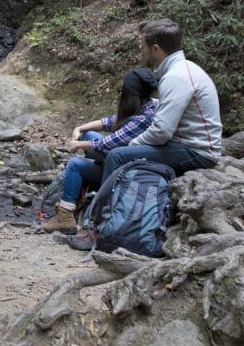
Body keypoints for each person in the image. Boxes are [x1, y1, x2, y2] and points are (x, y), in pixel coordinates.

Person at [99, 19, 222, 185]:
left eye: (143, 47)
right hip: (186, 145)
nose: (141, 52)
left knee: (117, 155)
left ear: (155, 49)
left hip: (197, 153)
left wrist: (132, 144)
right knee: (111, 150)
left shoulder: (176, 77)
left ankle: (105, 208)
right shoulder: (183, 70)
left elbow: (161, 131)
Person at [40, 68, 159, 233]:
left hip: (123, 170)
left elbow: (109, 141)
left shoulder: (143, 119)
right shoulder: (148, 104)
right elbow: (110, 122)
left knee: (74, 164)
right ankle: (87, 182)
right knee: (88, 134)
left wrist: (78, 145)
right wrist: (80, 128)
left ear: (131, 93)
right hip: (120, 158)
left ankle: (66, 216)